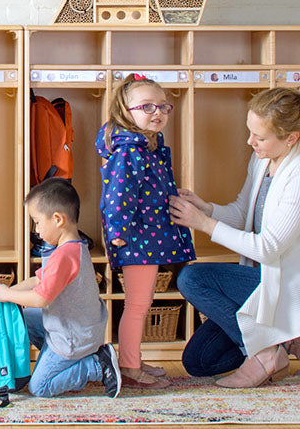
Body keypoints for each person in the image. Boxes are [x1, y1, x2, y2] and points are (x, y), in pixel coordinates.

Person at [169, 79, 300, 388]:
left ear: (291, 138)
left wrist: (204, 225)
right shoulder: (264, 160)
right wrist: (205, 209)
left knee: (192, 279)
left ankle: (267, 352)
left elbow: (268, 248)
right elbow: (244, 213)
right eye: (250, 132)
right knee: (199, 361)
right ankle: (289, 338)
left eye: (259, 137)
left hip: (290, 282)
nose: (249, 142)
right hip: (263, 278)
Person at [96, 73, 196, 388]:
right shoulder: (130, 151)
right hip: (137, 239)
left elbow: (144, 191)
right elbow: (119, 195)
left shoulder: (146, 147)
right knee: (137, 304)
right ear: (125, 111)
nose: (157, 113)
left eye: (163, 107)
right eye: (146, 107)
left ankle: (132, 357)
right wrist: (118, 232)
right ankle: (128, 366)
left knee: (142, 301)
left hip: (148, 237)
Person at [0, 178, 121, 398]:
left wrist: (6, 294)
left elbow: (41, 299)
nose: (36, 229)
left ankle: (97, 365)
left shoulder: (63, 256)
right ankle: (60, 360)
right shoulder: (72, 247)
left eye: (37, 222)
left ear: (58, 219)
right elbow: (37, 280)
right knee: (24, 315)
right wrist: (9, 291)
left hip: (73, 338)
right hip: (79, 327)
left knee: (40, 387)